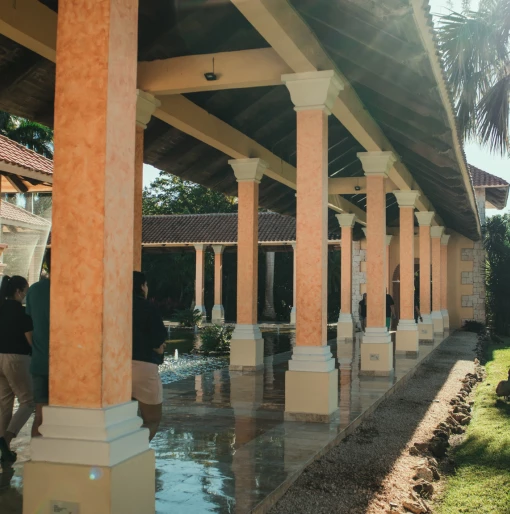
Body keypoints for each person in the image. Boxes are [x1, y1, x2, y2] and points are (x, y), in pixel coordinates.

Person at [0, 275, 34, 464]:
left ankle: (4, 450)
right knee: (28, 401)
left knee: (5, 404)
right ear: (18, 292)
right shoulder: (22, 315)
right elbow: (30, 341)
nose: (25, 296)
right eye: (25, 292)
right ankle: (6, 440)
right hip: (16, 359)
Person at [132, 271, 167, 441]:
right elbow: (158, 341)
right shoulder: (148, 307)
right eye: (145, 285)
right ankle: (133, 452)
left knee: (121, 419)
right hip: (143, 367)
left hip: (115, 370)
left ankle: (121, 455)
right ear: (141, 286)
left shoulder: (114, 306)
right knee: (152, 420)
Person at [25, 257, 51, 437]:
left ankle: (36, 458)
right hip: (67, 366)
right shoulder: (73, 290)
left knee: (40, 416)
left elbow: (29, 328)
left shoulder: (33, 290)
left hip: (39, 361)